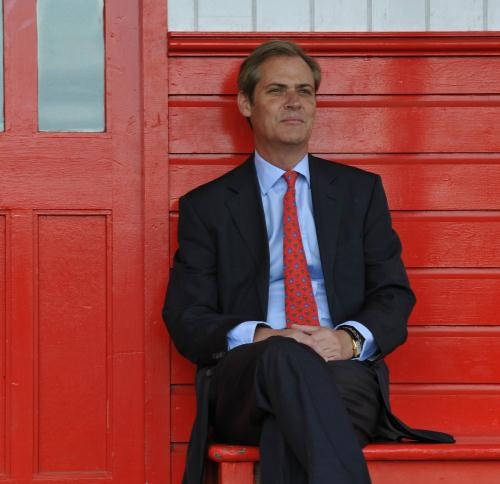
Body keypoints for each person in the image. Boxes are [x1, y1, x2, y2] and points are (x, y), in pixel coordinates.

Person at [163, 40, 453, 484]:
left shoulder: (360, 193)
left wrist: (348, 342)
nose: (295, 101)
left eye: (305, 90)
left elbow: (392, 295)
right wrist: (265, 335)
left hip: (342, 371)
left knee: (291, 421)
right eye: (277, 90)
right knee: (283, 356)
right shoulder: (209, 206)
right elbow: (187, 317)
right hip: (248, 378)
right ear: (246, 103)